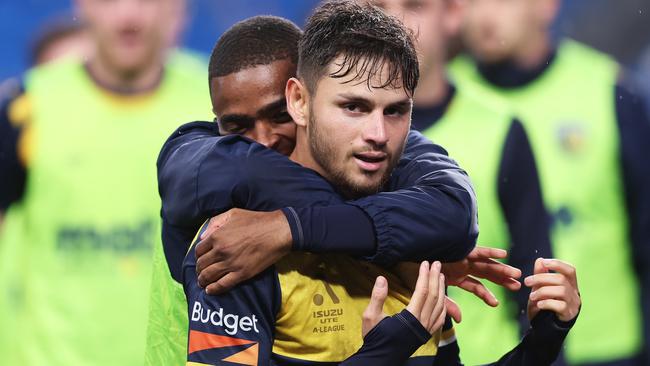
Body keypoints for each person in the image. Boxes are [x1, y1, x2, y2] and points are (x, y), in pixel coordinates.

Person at [160, 2, 580, 364]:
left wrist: (544, 340)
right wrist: (386, 351)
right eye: (353, 107)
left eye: (395, 111)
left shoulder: (403, 242)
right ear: (301, 101)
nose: (377, 133)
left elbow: (451, 210)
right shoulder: (236, 242)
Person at [0, 0, 211, 364]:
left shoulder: (215, 101)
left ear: (176, 8)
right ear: (83, 6)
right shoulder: (27, 105)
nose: (129, 15)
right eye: (110, 0)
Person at [451, 0, 650, 364]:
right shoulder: (438, 100)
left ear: (546, 6)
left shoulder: (608, 89)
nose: (483, 14)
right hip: (504, 352)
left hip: (607, 349)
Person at [364, 0, 552, 363]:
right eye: (378, 6)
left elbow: (535, 276)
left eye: (413, 5)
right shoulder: (338, 140)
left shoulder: (500, 128)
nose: (393, 20)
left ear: (452, 14)